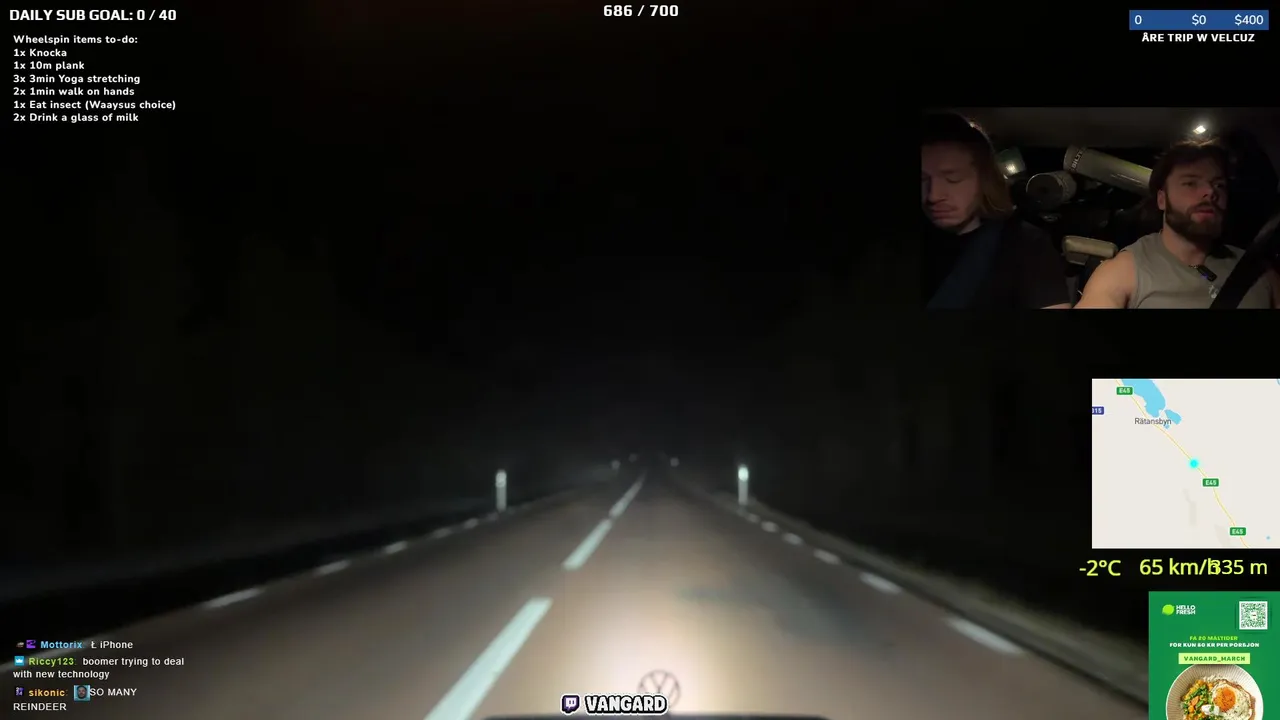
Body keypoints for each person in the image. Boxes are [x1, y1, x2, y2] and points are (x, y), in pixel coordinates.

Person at [1076, 139, 1279, 309]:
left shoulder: (1260, 272)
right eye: (1191, 183)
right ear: (1162, 200)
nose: (1211, 192)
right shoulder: (1124, 271)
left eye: (1219, 185)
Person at [921, 112, 1072, 309]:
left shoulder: (1026, 243)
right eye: (922, 180)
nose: (933, 195)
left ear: (984, 179)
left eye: (953, 179)